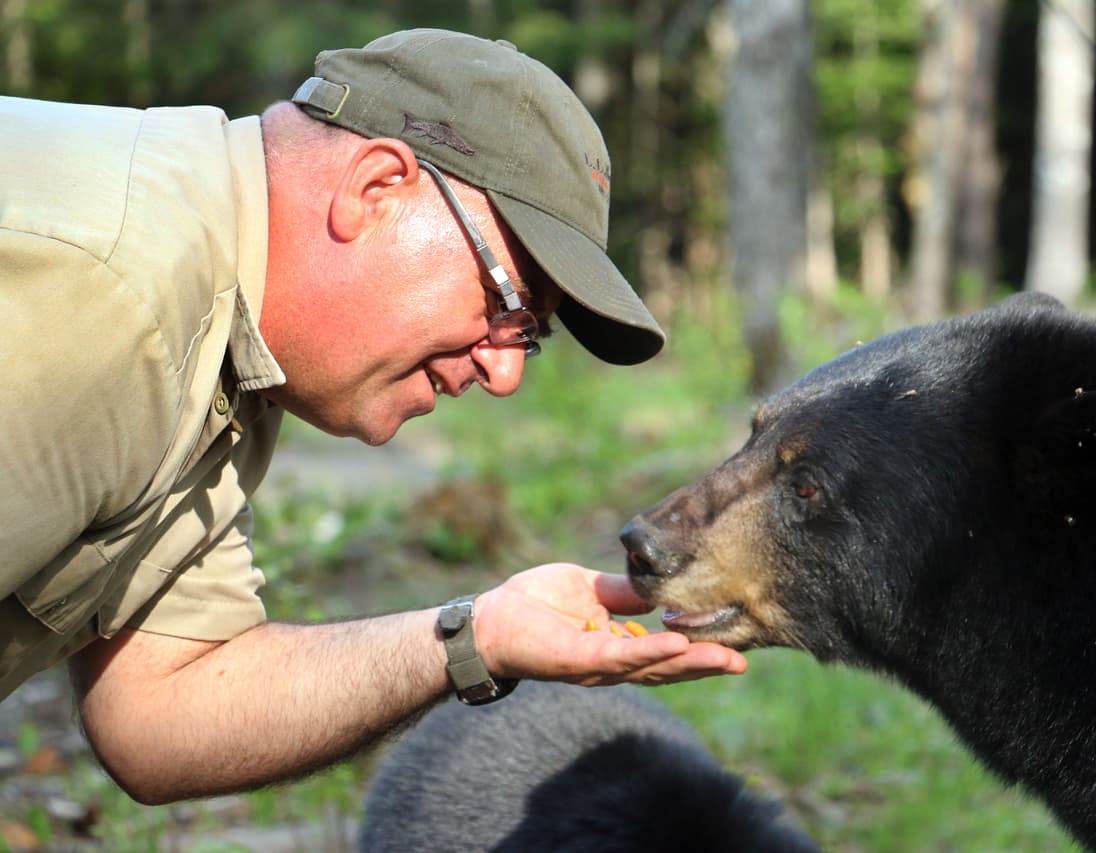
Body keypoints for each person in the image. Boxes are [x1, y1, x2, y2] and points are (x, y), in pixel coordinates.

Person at [0, 28, 747, 805]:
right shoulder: (116, 296)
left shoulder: (236, 345)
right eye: (507, 303)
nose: (505, 370)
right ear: (375, 190)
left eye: (532, 336)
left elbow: (155, 709)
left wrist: (480, 634)